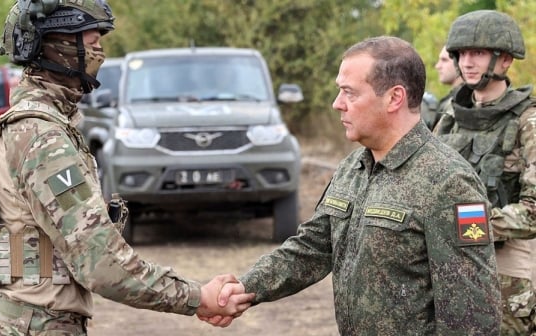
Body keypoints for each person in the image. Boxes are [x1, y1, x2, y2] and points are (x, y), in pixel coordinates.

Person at [0, 1, 253, 335]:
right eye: (91, 45)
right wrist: (196, 296)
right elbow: (100, 262)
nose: (99, 55)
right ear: (57, 47)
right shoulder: (43, 137)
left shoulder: (24, 126)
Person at [201, 36, 502, 334]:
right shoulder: (353, 167)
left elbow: (473, 317)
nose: (337, 104)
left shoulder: (450, 183)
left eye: (349, 93)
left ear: (394, 98)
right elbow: (312, 248)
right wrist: (245, 288)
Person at [433, 10, 536, 335]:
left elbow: (534, 212)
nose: (467, 62)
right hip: (447, 258)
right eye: (461, 53)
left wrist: (467, 226)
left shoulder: (527, 121)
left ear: (504, 60)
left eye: (477, 53)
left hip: (504, 261)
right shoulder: (450, 116)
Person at [433, 45, 463, 125]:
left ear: (460, 62)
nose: (438, 66)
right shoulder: (450, 100)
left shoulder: (463, 102)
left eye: (444, 60)